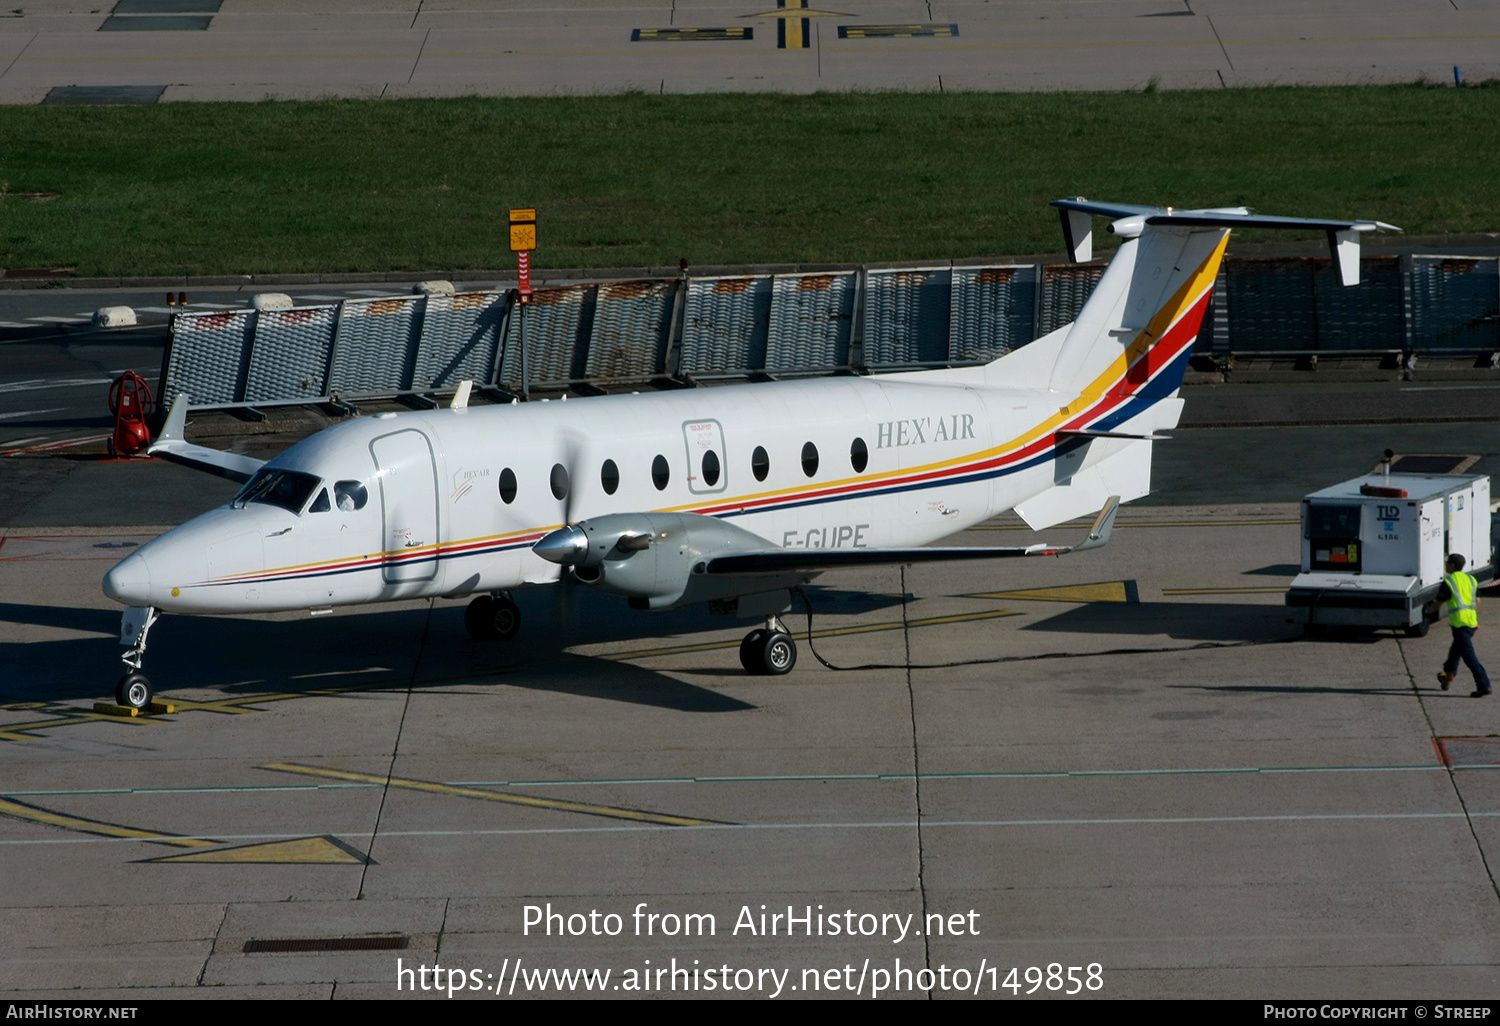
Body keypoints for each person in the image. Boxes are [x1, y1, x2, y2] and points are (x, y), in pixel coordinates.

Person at [1427, 553, 1492, 698]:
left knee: (1469, 656)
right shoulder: (1471, 579)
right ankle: (1447, 676)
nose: (1446, 565)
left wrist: (1426, 612)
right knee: (1456, 650)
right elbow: (1478, 601)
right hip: (1471, 623)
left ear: (1452, 566)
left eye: (1447, 563)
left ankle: (1484, 685)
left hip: (1459, 623)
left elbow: (1437, 603)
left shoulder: (1449, 582)